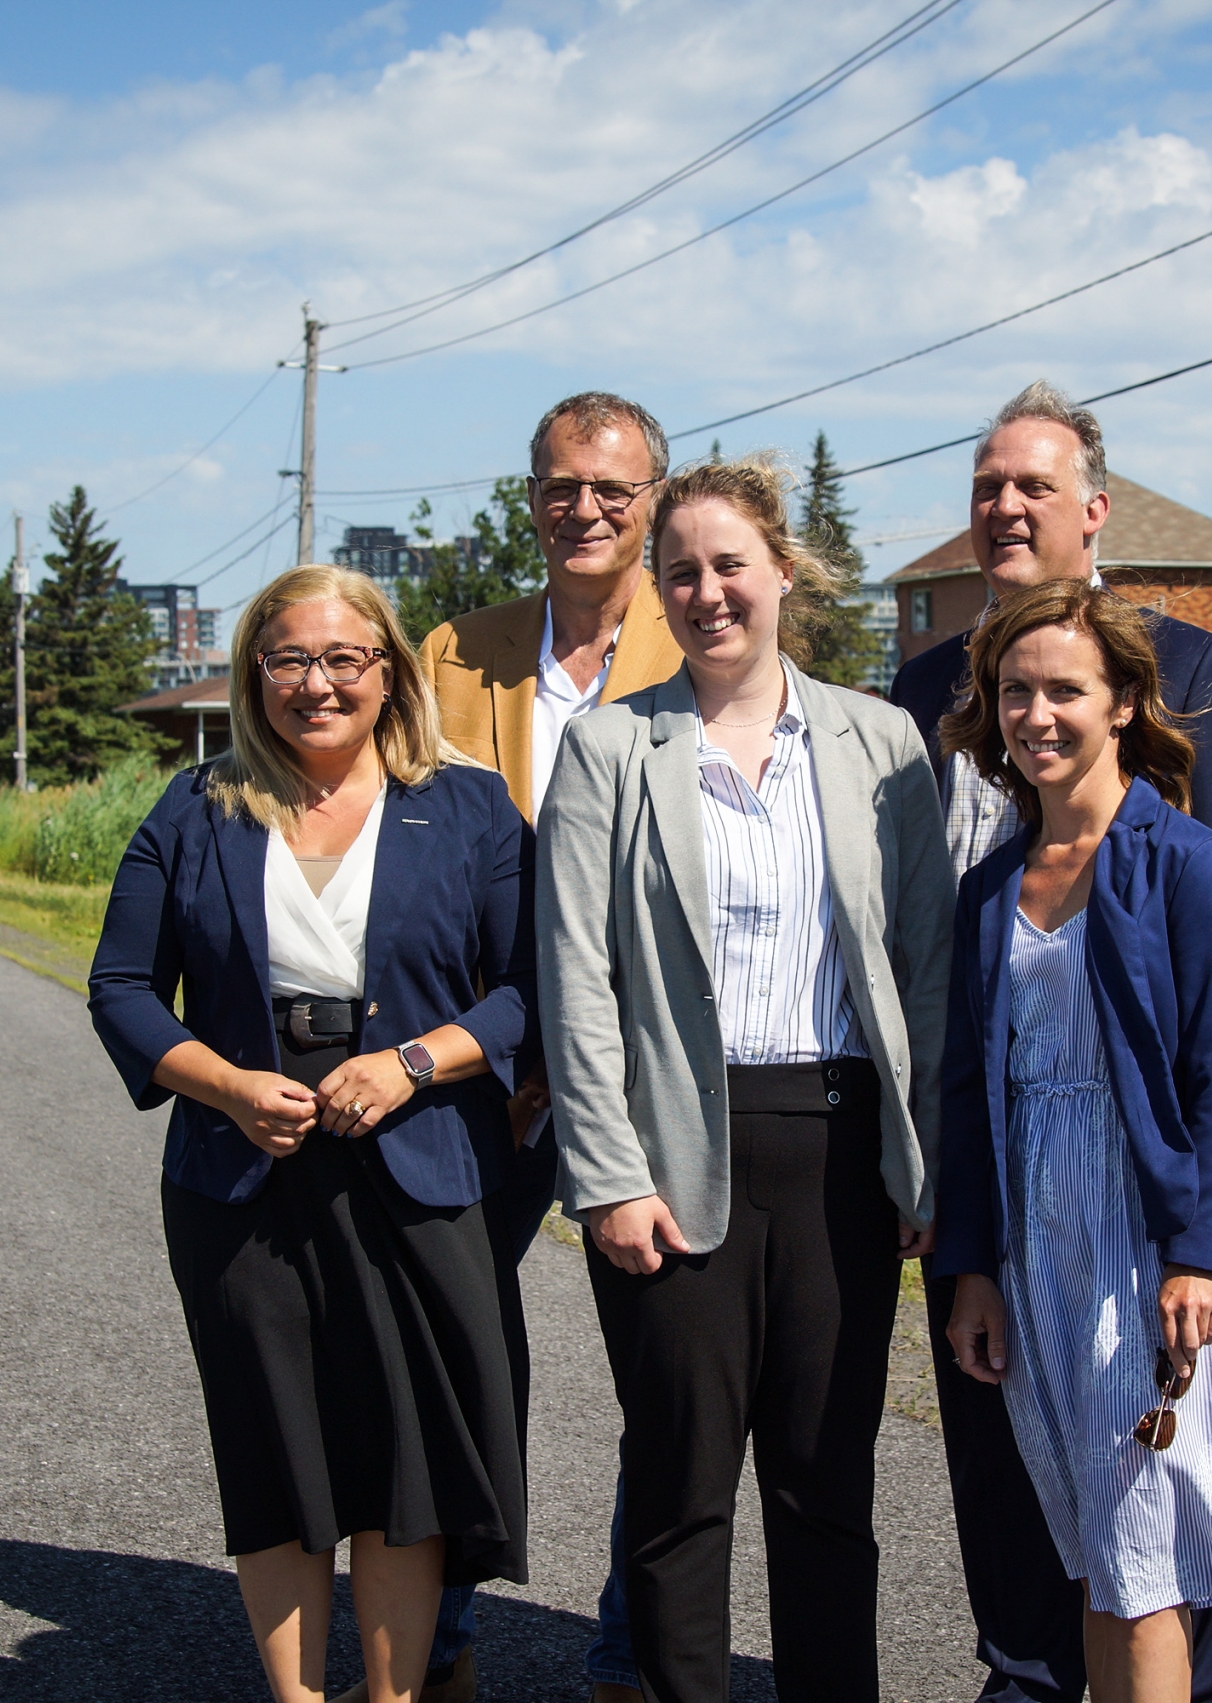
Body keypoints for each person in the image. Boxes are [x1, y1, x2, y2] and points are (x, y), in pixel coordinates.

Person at [888, 381, 1212, 1703]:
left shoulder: (1196, 675)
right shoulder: (929, 694)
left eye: (1034, 485)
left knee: (1147, 1519)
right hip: (1003, 1164)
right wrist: (956, 1213)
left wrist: (1199, 1216)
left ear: (1095, 509)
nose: (1005, 506)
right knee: (1021, 1462)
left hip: (1138, 1179)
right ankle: (1026, 1672)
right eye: (987, 486)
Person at [538, 455, 952, 1703]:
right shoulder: (610, 746)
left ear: (782, 571)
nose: (708, 591)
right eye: (681, 572)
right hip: (673, 1158)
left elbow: (925, 967)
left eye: (730, 564)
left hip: (839, 1154)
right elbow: (575, 976)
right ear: (655, 590)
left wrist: (922, 1160)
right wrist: (607, 1178)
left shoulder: (880, 740)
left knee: (826, 1487)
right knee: (680, 1485)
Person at [88, 565, 536, 1703]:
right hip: (242, 1172)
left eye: (344, 658)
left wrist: (412, 1061)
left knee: (405, 1457)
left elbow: (532, 988)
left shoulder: (470, 805)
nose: (317, 683)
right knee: (276, 1448)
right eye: (288, 658)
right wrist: (226, 1086)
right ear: (255, 673)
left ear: (388, 671)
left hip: (422, 1163)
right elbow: (122, 987)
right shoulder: (196, 806)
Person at [411, 390, 684, 1703]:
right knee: (448, 1344)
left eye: (612, 489)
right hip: (492, 1062)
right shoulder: (453, 654)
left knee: (670, 1370)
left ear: (652, 502)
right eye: (562, 485)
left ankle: (630, 1656)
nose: (585, 508)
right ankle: (436, 1640)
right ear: (530, 498)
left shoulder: (704, 634)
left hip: (651, 1065)